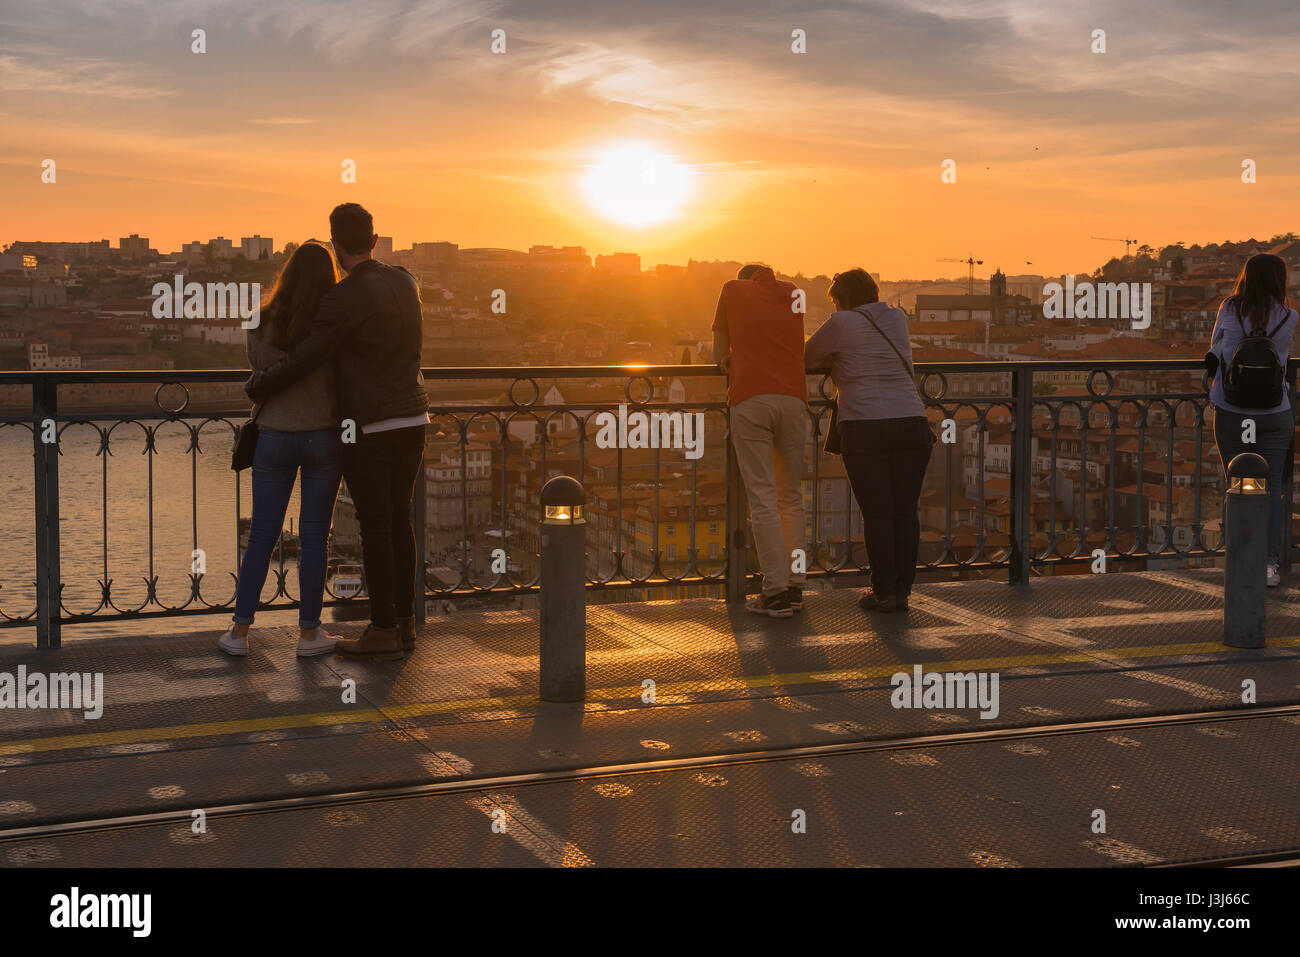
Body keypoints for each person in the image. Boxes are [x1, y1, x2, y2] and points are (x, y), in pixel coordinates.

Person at [245, 203, 429, 659]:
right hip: (414, 418)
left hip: (370, 423)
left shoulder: (343, 298)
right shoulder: (406, 280)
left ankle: (382, 629)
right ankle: (405, 623)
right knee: (400, 521)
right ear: (374, 240)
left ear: (335, 244)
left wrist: (260, 384)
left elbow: (308, 357)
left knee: (375, 526)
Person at [220, 242, 343, 657]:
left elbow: (260, 370)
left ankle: (239, 633)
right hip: (322, 436)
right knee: (314, 538)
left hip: (273, 434)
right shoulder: (333, 324)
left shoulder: (259, 320)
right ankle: (309, 635)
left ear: (286, 275)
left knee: (261, 536)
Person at [804, 268, 933, 613]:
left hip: (865, 424)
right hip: (912, 421)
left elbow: (807, 357)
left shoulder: (841, 323)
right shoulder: (897, 318)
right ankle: (902, 592)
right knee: (905, 511)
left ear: (842, 300)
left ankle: (884, 591)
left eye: (835, 301)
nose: (835, 307)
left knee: (877, 513)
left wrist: (836, 359)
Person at [713, 263, 808, 618]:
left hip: (752, 398)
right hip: (794, 400)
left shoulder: (731, 291)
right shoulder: (793, 293)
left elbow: (718, 356)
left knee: (763, 498)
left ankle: (776, 592)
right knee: (791, 497)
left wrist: (731, 358)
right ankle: (795, 586)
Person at [1207, 252, 1297, 587]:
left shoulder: (1229, 308)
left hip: (1232, 410)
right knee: (1270, 490)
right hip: (1274, 412)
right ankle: (1268, 565)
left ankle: (1237, 559)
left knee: (1235, 484)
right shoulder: (1289, 316)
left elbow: (1215, 348)